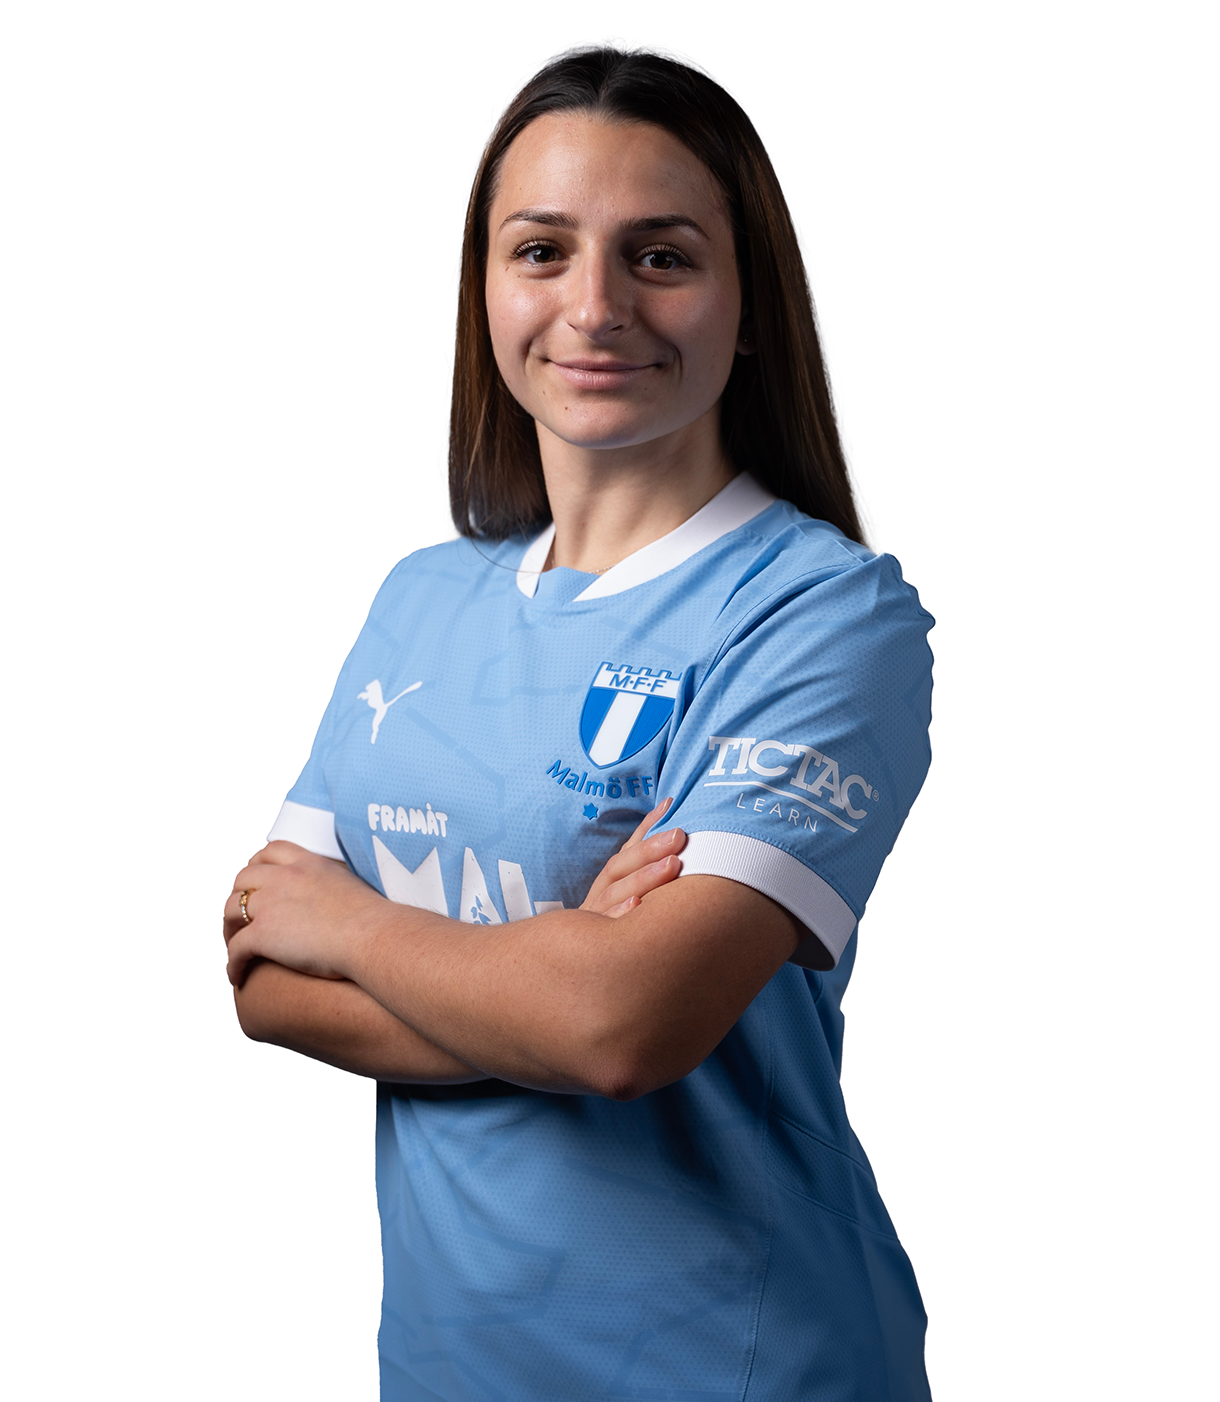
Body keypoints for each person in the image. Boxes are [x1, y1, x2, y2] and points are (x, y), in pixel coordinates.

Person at [224, 47, 936, 1402]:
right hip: (447, 1373)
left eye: (661, 257)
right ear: (486, 292)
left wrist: (359, 930)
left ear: (752, 306)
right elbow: (264, 971)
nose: (595, 306)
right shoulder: (421, 599)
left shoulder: (826, 616)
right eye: (541, 251)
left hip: (741, 1368)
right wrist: (546, 973)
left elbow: (624, 1030)